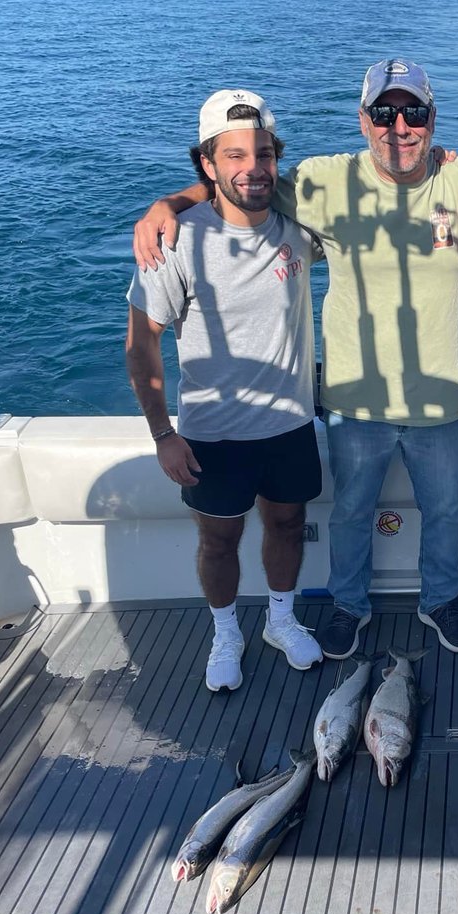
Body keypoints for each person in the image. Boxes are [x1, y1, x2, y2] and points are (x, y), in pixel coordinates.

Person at [133, 59, 458, 661]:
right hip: (355, 397)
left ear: (432, 121)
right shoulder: (322, 181)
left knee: (442, 513)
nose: (398, 126)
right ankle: (349, 606)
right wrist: (168, 203)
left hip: (440, 394)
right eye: (384, 112)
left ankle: (439, 601)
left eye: (414, 113)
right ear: (363, 120)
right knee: (352, 513)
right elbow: (240, 179)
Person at [126, 89, 324, 691]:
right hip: (213, 432)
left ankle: (281, 620)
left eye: (263, 153)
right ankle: (226, 630)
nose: (252, 168)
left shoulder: (299, 226)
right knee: (220, 539)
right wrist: (163, 433)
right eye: (233, 156)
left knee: (288, 525)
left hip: (291, 423)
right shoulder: (175, 241)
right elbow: (142, 343)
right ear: (207, 164)